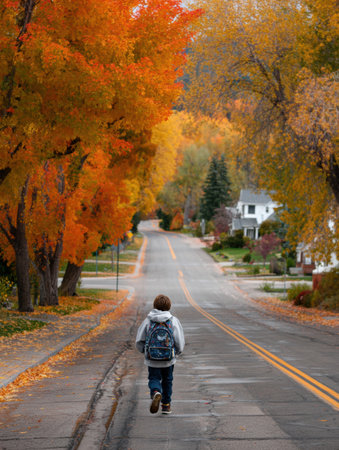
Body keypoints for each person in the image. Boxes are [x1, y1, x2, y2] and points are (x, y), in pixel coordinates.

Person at [135, 294, 185, 415]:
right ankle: (166, 406)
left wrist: (144, 351)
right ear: (169, 306)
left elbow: (139, 339)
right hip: (168, 358)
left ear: (155, 305)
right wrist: (178, 351)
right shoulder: (173, 320)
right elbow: (179, 339)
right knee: (168, 380)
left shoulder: (148, 320)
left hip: (152, 358)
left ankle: (156, 391)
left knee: (154, 378)